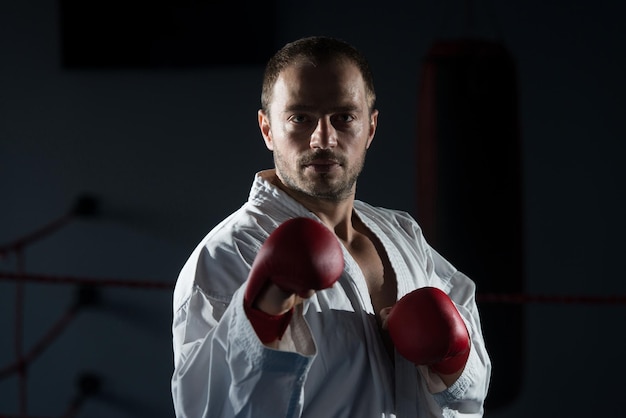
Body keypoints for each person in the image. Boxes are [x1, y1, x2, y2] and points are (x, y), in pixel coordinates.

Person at [171, 35, 491, 417]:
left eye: (343, 117)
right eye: (300, 118)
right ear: (267, 129)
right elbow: (206, 409)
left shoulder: (403, 234)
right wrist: (263, 315)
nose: (323, 139)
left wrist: (453, 359)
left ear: (370, 128)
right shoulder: (230, 253)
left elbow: (471, 396)